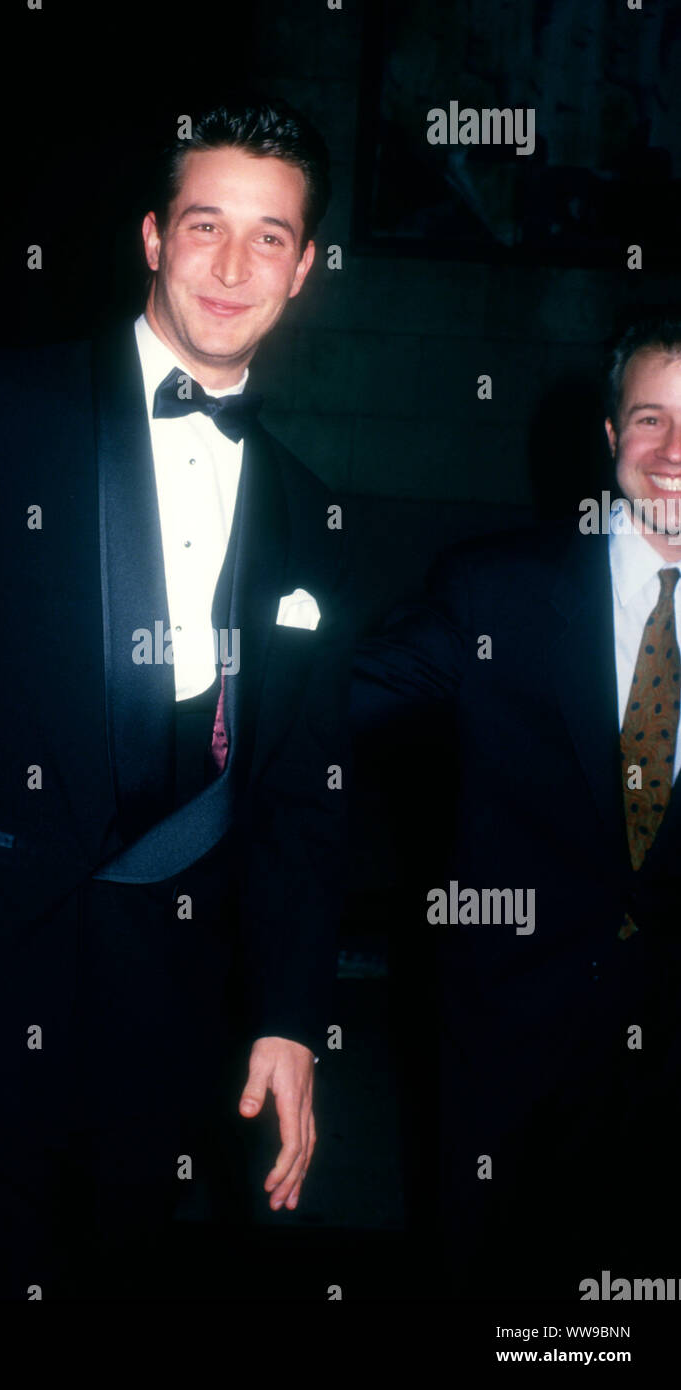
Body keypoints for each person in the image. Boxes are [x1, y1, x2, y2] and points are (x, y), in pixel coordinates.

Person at [0, 97, 352, 1299]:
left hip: (170, 1018)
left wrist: (292, 1018)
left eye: (269, 238)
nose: (230, 264)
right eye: (205, 225)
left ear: (303, 269)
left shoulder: (308, 507)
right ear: (152, 237)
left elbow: (300, 794)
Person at [345, 314, 681, 1298]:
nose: (671, 454)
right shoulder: (495, 591)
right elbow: (323, 708)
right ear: (610, 436)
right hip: (506, 1050)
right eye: (649, 419)